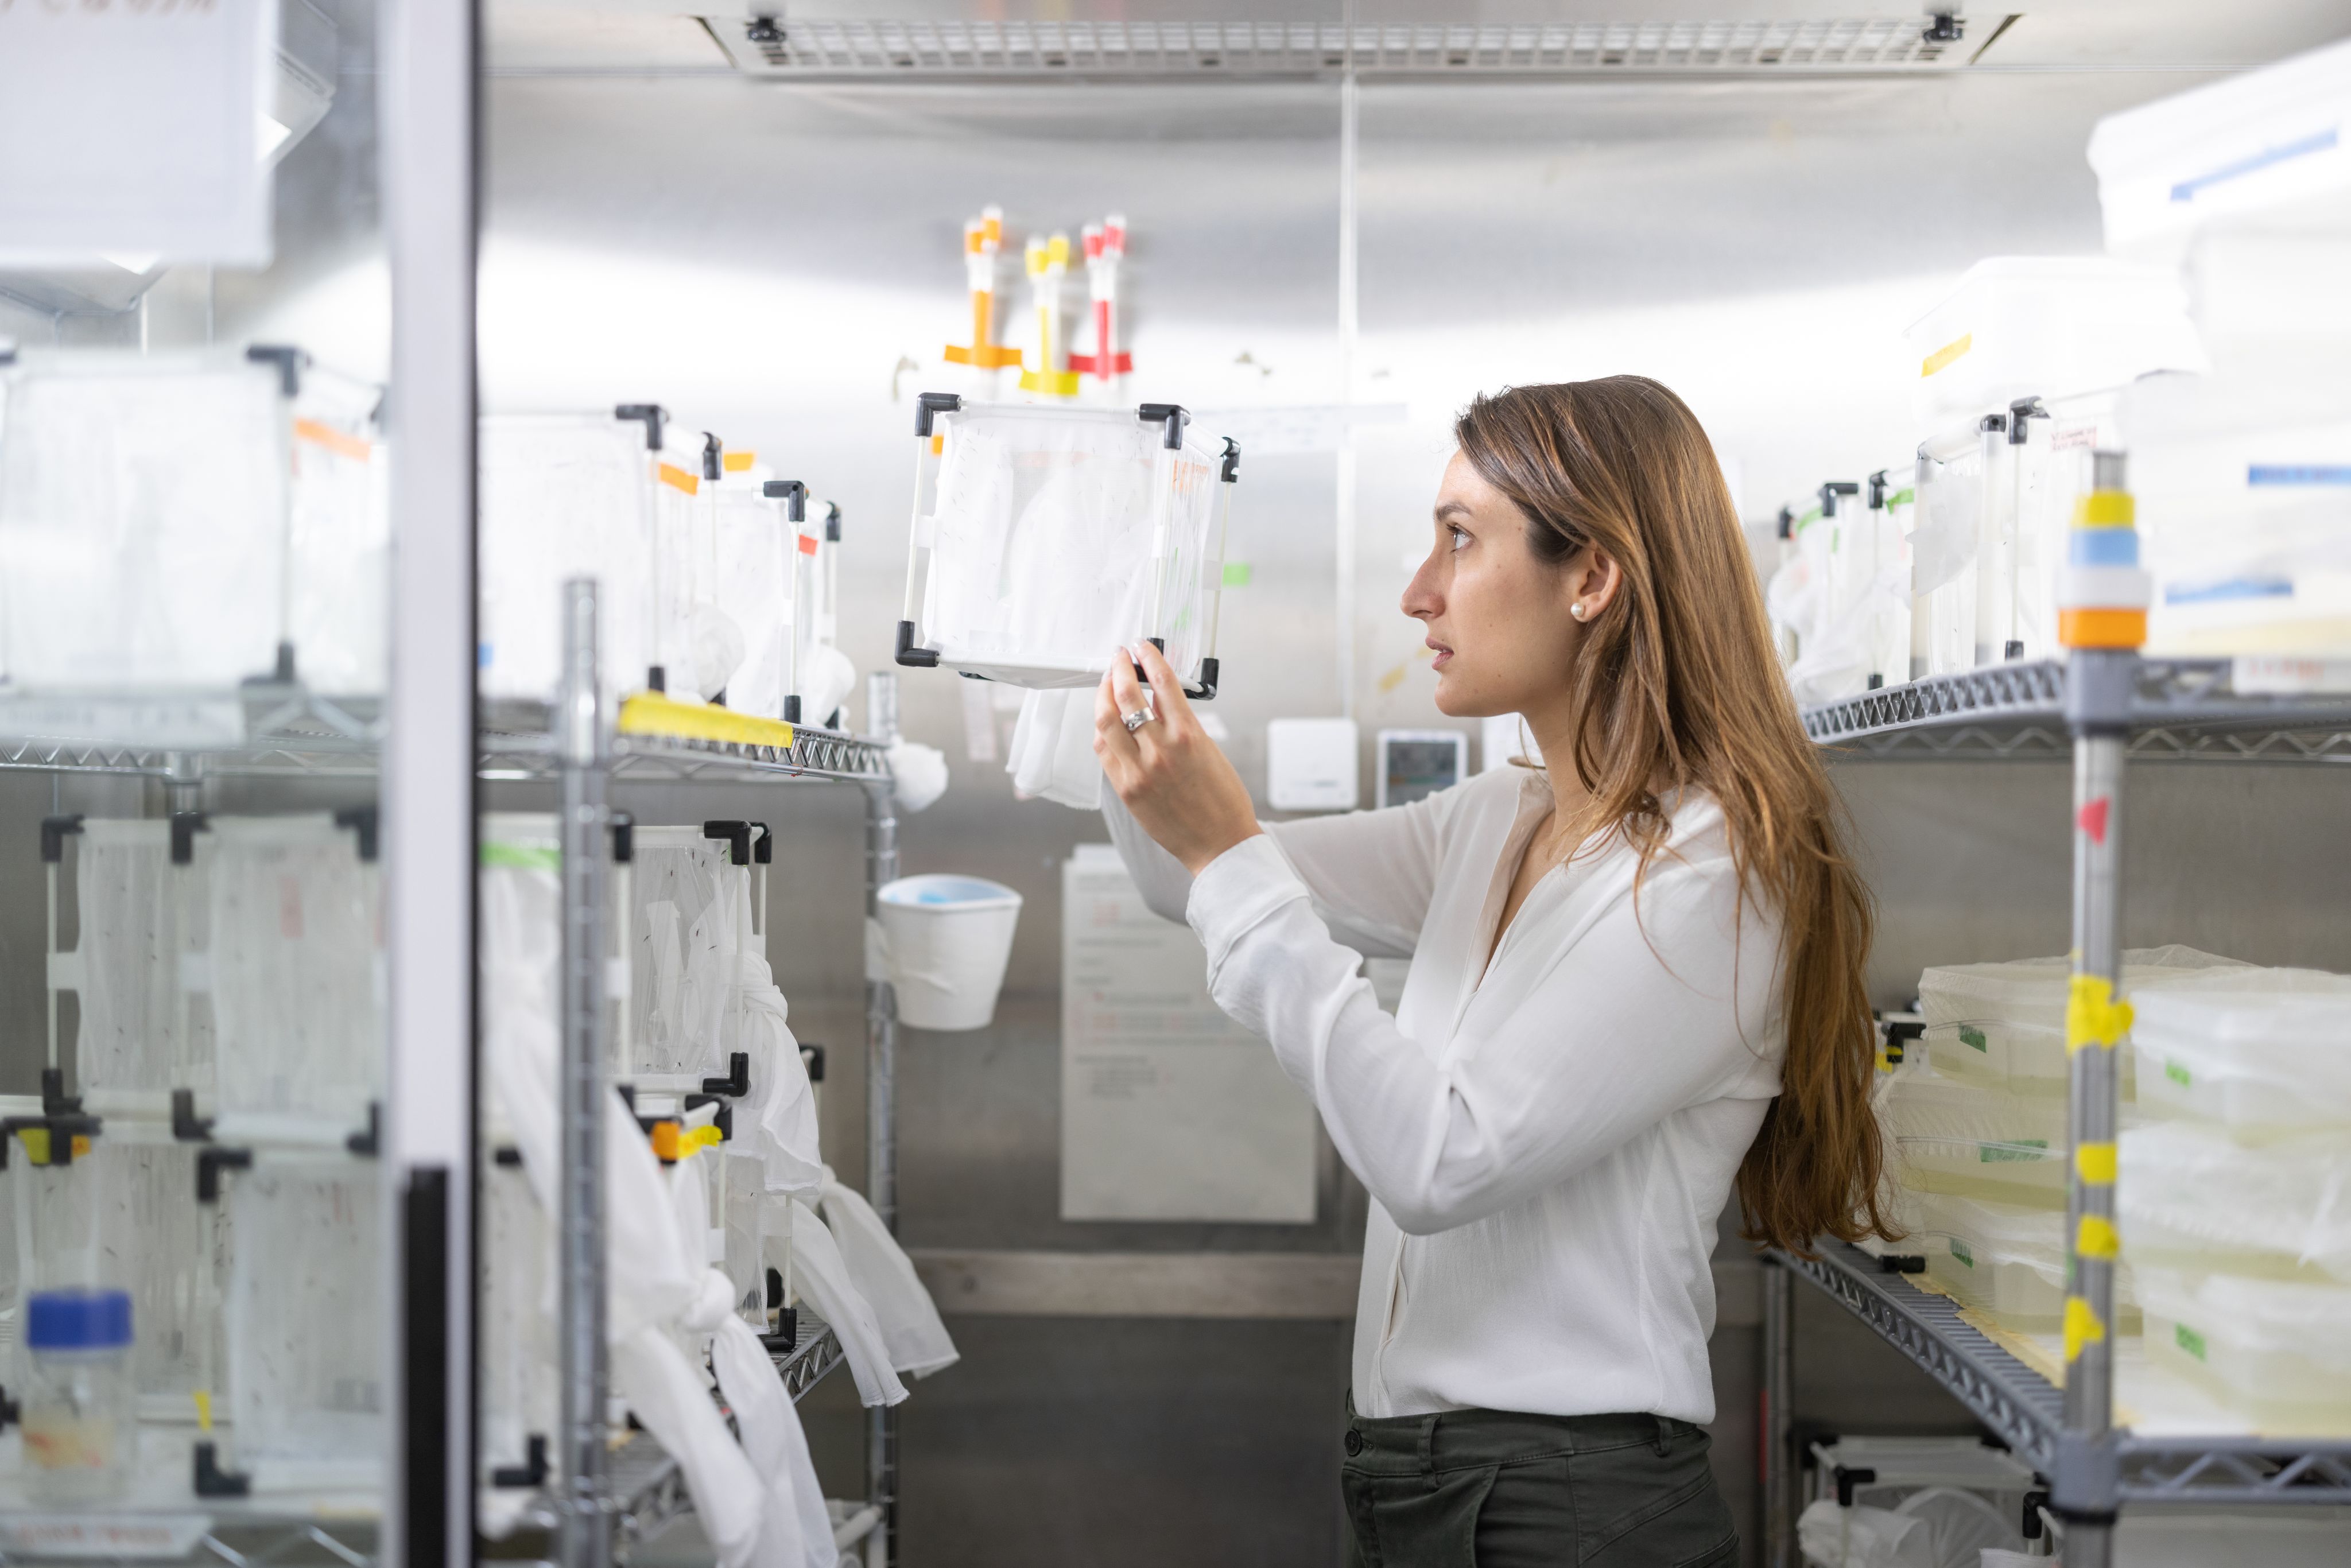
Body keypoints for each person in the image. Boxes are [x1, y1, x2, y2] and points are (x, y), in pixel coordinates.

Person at [1093, 377, 1892, 1567]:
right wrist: (1095, 683)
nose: (1418, 591)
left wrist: (1224, 851)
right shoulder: (1497, 822)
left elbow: (1439, 1156)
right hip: (1425, 1482)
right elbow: (1184, 881)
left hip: (1566, 1503)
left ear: (1591, 579)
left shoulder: (1710, 877)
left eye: (1459, 540)